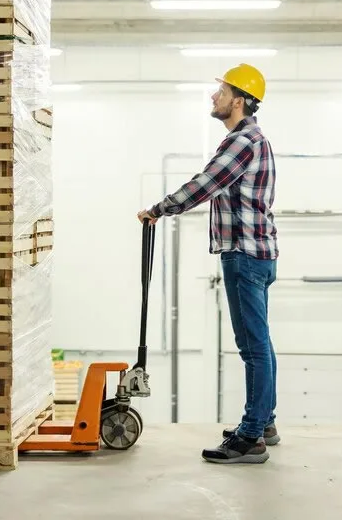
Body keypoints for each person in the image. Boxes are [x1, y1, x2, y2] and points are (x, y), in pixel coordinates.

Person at [137, 63, 278, 465]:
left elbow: (206, 183)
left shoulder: (242, 141)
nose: (213, 96)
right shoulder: (255, 139)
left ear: (239, 100)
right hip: (259, 254)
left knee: (253, 347)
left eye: (221, 90)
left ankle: (251, 437)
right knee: (261, 343)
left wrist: (158, 209)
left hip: (245, 255)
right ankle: (263, 421)